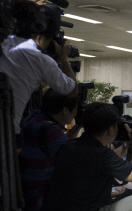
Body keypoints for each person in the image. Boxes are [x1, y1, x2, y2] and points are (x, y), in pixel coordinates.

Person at [39, 103, 132, 211]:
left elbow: (108, 162)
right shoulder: (100, 154)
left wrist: (125, 144)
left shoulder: (69, 146)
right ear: (110, 129)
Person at [0, 1, 78, 134]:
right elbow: (71, 91)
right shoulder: (39, 60)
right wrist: (63, 58)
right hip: (6, 133)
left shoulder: (5, 46)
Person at [18, 90, 81, 211]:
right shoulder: (50, 130)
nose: (76, 114)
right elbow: (77, 156)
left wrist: (77, 127)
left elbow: (61, 145)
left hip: (25, 192)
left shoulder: (34, 118)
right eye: (76, 109)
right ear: (65, 110)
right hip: (38, 200)